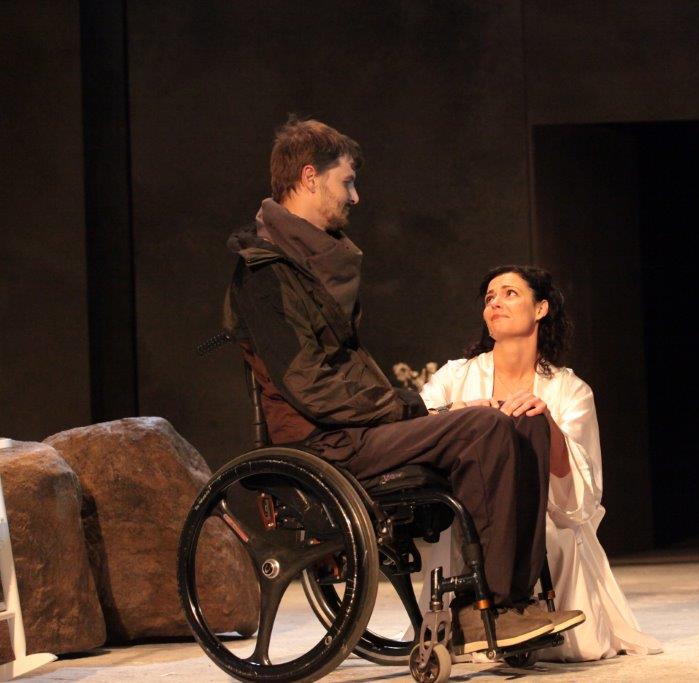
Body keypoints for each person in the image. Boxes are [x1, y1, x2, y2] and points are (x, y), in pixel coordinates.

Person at [221, 117, 582, 653]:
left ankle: (517, 602)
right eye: (346, 182)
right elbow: (311, 387)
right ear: (309, 177)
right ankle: (483, 609)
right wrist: (409, 408)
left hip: (354, 430)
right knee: (484, 426)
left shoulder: (312, 264)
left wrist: (410, 412)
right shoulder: (265, 273)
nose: (355, 197)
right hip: (322, 442)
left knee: (524, 422)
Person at [418, 265, 663, 661]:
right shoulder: (456, 376)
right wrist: (465, 411)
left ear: (541, 308)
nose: (496, 302)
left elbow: (578, 500)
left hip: (547, 515)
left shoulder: (570, 390)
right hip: (467, 507)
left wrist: (547, 426)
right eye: (489, 297)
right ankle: (479, 614)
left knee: (553, 531)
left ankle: (524, 610)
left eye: (510, 293)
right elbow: (415, 426)